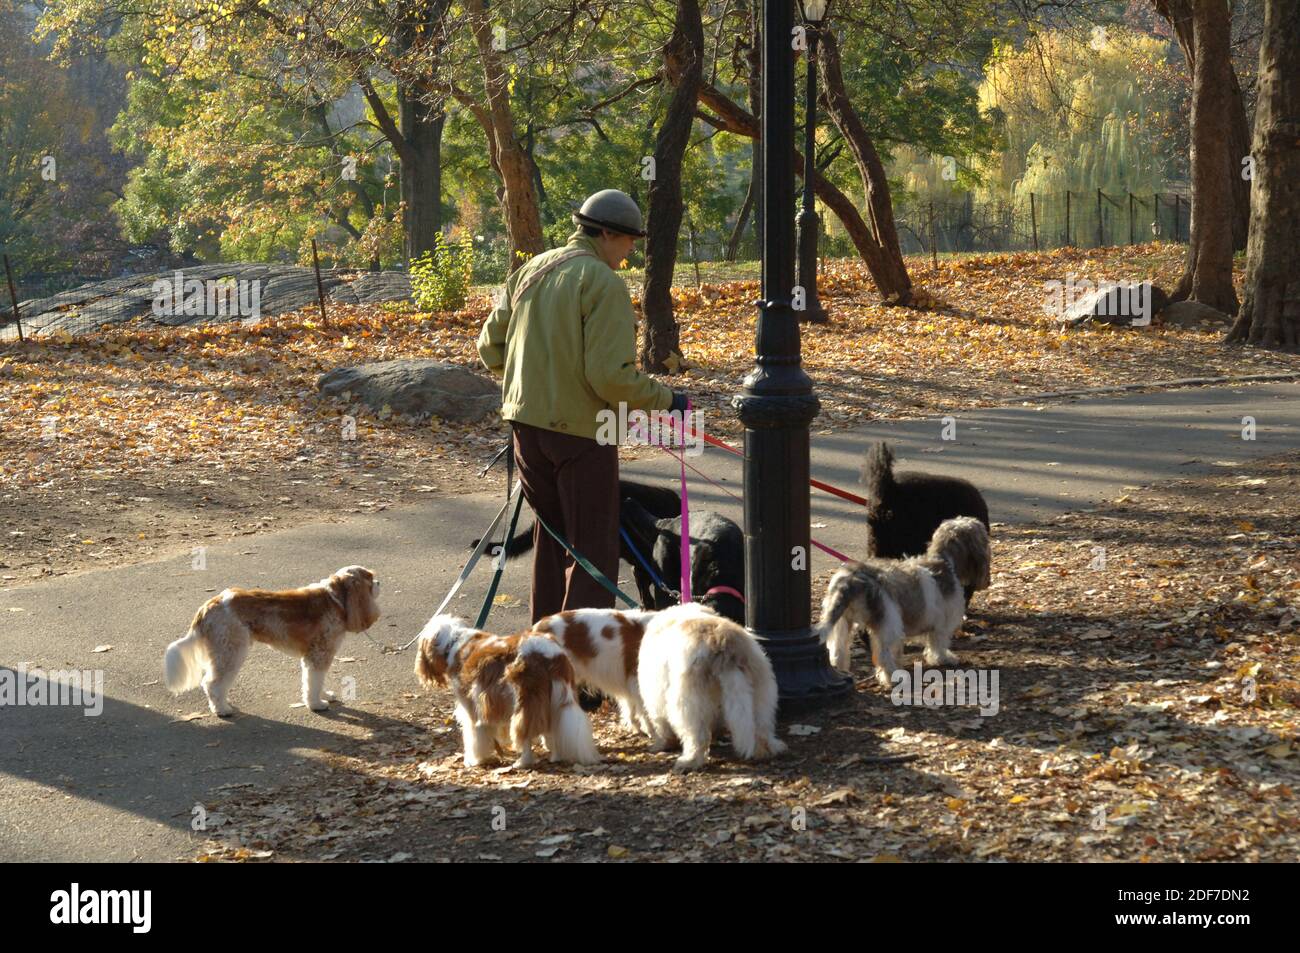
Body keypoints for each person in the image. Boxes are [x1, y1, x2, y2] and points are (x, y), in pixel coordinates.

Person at [477, 189, 688, 624]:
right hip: (580, 434)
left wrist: (537, 381)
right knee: (593, 546)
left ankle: (544, 658)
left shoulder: (530, 271)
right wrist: (667, 400)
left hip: (524, 427)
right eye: (629, 239)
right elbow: (610, 377)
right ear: (607, 232)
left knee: (551, 538)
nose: (631, 249)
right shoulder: (602, 282)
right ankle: (582, 670)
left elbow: (490, 348)